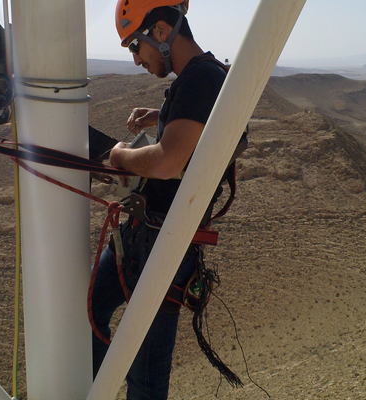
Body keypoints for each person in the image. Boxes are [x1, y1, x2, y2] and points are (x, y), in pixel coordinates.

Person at [90, 1, 233, 398]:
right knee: (91, 314)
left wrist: (120, 156)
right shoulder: (204, 76)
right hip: (146, 236)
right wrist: (159, 116)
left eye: (134, 46)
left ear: (160, 31)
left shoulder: (200, 79)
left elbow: (169, 161)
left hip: (160, 246)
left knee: (146, 380)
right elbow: (199, 125)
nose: (136, 60)